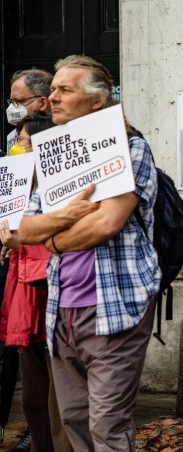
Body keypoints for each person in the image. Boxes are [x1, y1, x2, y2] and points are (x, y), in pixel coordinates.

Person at [17, 55, 161, 450]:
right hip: (62, 312)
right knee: (75, 422)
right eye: (52, 90)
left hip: (115, 307)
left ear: (97, 101)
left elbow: (106, 223)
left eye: (65, 90)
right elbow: (23, 228)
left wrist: (55, 238)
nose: (53, 98)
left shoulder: (132, 150)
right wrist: (65, 215)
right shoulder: (55, 158)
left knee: (107, 426)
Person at [0, 112, 73, 452]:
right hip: (25, 303)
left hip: (51, 300)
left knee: (60, 402)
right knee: (32, 397)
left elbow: (55, 243)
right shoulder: (21, 188)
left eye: (23, 142)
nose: (16, 148)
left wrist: (22, 242)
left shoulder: (61, 188)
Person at [6, 69, 52, 150]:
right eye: (12, 102)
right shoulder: (11, 137)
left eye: (19, 101)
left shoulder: (60, 134)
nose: (12, 108)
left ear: (43, 103)